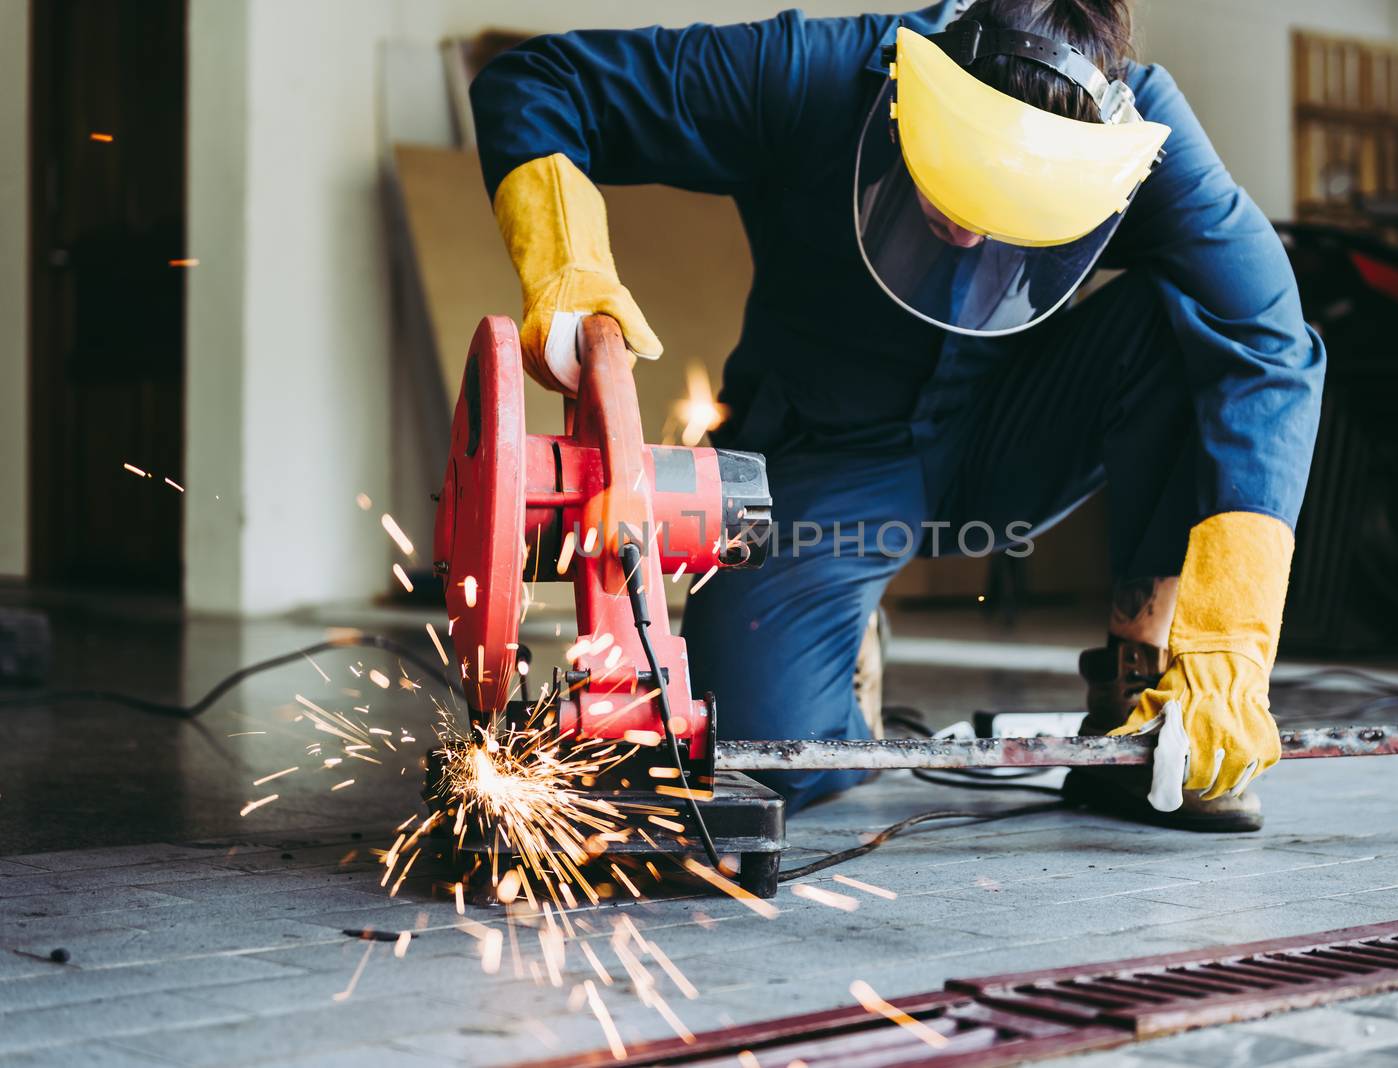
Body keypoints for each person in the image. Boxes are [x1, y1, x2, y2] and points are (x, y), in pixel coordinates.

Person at [470, 0, 1325, 832]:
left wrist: (1230, 647)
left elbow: (1272, 341)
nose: (960, 230)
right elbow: (538, 82)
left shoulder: (1139, 143)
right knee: (757, 748)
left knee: (1195, 326)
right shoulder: (809, 75)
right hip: (830, 460)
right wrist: (568, 268)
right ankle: (842, 667)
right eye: (946, 185)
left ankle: (1147, 693)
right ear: (917, 90)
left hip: (1013, 435)